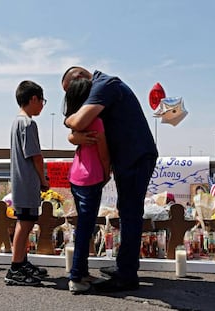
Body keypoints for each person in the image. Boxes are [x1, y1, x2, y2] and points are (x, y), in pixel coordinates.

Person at [62, 67, 158, 292]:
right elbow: (76, 129)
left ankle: (126, 275)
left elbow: (78, 122)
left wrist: (70, 125)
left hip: (135, 157)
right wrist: (73, 132)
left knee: (130, 212)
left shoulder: (104, 86)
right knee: (126, 210)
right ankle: (125, 267)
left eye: (71, 90)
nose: (74, 96)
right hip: (128, 158)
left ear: (80, 79)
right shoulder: (101, 88)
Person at [63, 78, 111, 294]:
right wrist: (107, 171)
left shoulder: (75, 121)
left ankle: (81, 271)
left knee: (83, 227)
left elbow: (70, 134)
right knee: (86, 229)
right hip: (92, 178)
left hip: (76, 177)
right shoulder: (97, 122)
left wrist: (74, 138)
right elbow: (102, 152)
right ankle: (75, 277)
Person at [4, 80, 50, 286]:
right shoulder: (29, 124)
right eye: (42, 101)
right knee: (26, 222)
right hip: (28, 181)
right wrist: (43, 179)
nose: (42, 105)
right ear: (33, 99)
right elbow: (36, 156)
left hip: (19, 180)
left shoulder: (17, 121)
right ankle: (15, 268)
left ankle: (21, 262)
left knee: (24, 221)